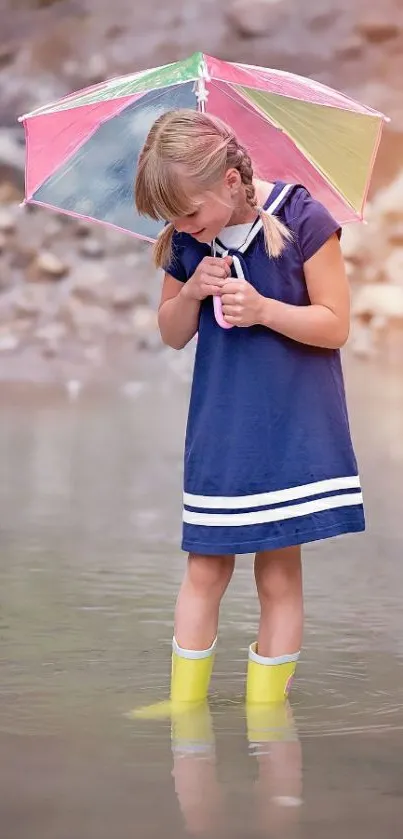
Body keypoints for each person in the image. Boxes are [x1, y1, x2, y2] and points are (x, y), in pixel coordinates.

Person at [133, 108, 365, 715]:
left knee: (278, 572)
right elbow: (171, 333)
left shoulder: (303, 218)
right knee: (205, 567)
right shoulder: (187, 242)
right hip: (222, 424)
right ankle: (184, 708)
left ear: (231, 183)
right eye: (172, 219)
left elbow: (335, 325)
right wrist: (189, 292)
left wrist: (264, 309)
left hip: (291, 423)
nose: (182, 226)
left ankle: (266, 711)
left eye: (189, 212)